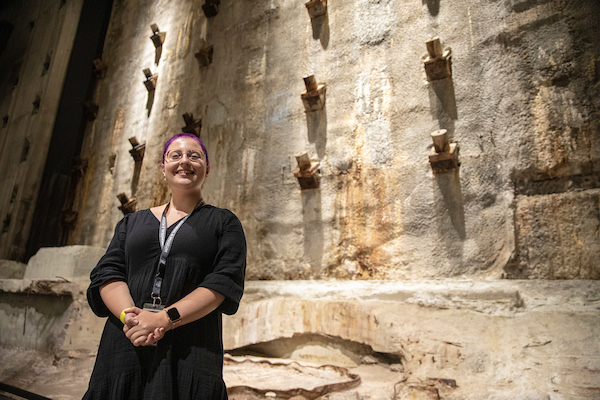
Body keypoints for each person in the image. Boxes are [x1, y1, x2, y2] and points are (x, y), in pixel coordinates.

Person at [83, 133, 246, 400]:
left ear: (207, 168)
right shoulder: (131, 223)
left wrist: (162, 319)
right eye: (176, 155)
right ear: (163, 168)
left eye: (194, 156)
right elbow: (108, 271)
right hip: (127, 339)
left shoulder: (224, 223)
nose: (185, 161)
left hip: (190, 346)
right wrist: (131, 318)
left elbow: (223, 281)